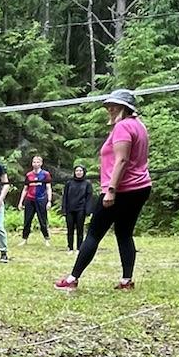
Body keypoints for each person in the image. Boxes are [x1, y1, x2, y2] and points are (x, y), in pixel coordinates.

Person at [57, 90, 152, 292]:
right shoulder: (140, 126)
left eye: (115, 106)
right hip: (140, 187)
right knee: (124, 233)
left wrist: (111, 190)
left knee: (94, 233)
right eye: (108, 106)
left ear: (126, 108)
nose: (110, 109)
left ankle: (72, 279)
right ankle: (126, 281)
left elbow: (122, 160)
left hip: (122, 189)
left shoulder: (123, 127)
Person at [61, 164, 92, 253]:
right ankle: (70, 247)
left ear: (83, 172)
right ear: (74, 172)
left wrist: (88, 210)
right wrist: (64, 209)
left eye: (80, 171)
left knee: (80, 229)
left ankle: (79, 248)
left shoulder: (87, 183)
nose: (79, 172)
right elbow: (65, 197)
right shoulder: (69, 183)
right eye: (77, 171)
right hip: (70, 209)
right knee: (70, 229)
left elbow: (89, 198)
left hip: (81, 209)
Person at [21, 155, 53, 243]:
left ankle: (46, 238)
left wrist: (49, 201)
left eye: (38, 162)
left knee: (42, 220)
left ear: (41, 163)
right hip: (30, 199)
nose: (36, 164)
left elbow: (48, 188)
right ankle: (24, 239)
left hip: (41, 199)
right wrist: (21, 202)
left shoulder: (45, 174)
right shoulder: (29, 175)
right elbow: (25, 189)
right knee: (27, 220)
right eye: (34, 162)